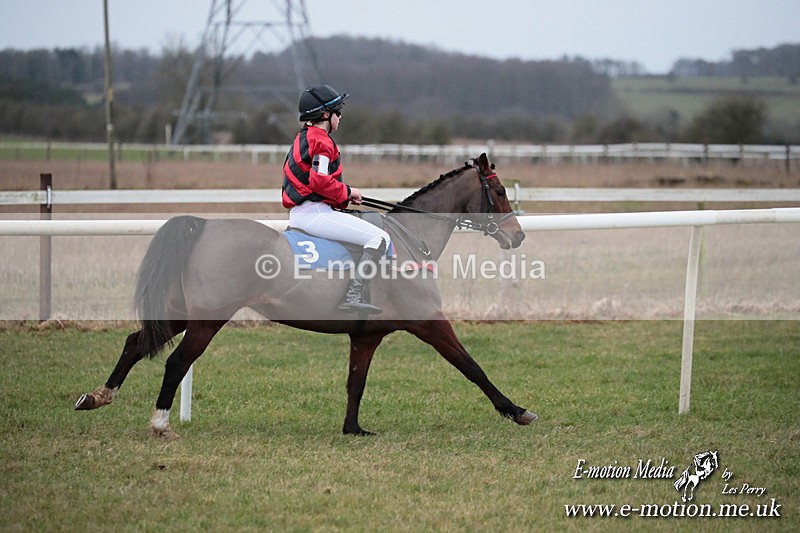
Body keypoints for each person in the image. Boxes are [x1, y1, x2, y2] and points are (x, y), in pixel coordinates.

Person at [282, 84, 390, 314]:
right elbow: (319, 182)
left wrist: (343, 196)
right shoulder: (322, 141)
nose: (340, 117)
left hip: (304, 212)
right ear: (325, 115)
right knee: (380, 238)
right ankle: (354, 294)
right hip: (315, 214)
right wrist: (348, 192)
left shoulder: (303, 136)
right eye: (337, 112)